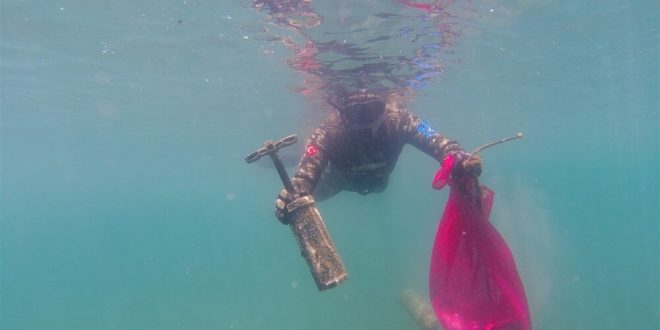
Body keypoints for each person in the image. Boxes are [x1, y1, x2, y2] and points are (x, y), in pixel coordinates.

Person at [275, 89, 482, 222]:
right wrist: (292, 199)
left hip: (371, 182)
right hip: (338, 181)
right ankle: (294, 155)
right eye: (355, 112)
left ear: (384, 107)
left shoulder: (400, 119)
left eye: (373, 109)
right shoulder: (329, 130)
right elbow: (303, 180)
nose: (365, 120)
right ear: (340, 112)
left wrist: (458, 158)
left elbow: (438, 142)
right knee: (305, 198)